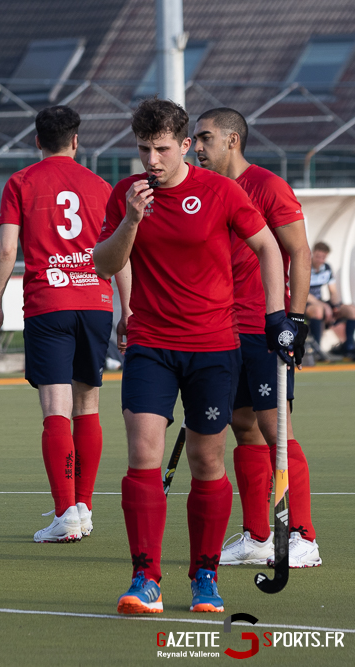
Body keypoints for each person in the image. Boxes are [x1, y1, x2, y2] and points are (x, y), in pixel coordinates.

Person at [93, 98, 292, 614]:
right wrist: (131, 220)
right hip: (150, 345)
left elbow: (270, 247)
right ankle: (145, 580)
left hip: (214, 347)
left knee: (207, 459)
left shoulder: (220, 191)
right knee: (143, 455)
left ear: (185, 145)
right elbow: (104, 262)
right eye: (143, 149)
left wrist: (275, 316)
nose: (151, 160)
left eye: (162, 149)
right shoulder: (127, 195)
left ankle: (204, 576)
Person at [193, 107, 322, 569]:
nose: (198, 147)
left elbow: (299, 252)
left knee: (275, 429)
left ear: (232, 140)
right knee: (242, 426)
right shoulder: (205, 190)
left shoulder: (267, 186)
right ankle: (257, 536)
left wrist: (296, 319)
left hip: (262, 329)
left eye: (205, 138)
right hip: (219, 330)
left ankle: (303, 536)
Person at [0, 105, 114, 543]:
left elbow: (6, 249)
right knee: (88, 404)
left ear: (37, 141)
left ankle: (65, 513)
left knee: (55, 407)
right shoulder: (101, 186)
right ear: (76, 141)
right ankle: (83, 506)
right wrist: (129, 311)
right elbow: (121, 252)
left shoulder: (21, 183)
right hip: (96, 301)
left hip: (50, 302)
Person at [304, 241, 355, 358]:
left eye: (323, 257)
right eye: (318, 256)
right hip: (307, 304)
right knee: (318, 310)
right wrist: (324, 306)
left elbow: (333, 292)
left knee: (351, 311)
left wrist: (336, 306)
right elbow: (304, 293)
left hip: (321, 303)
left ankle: (348, 347)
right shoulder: (305, 267)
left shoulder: (326, 268)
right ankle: (317, 349)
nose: (320, 260)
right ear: (313, 254)